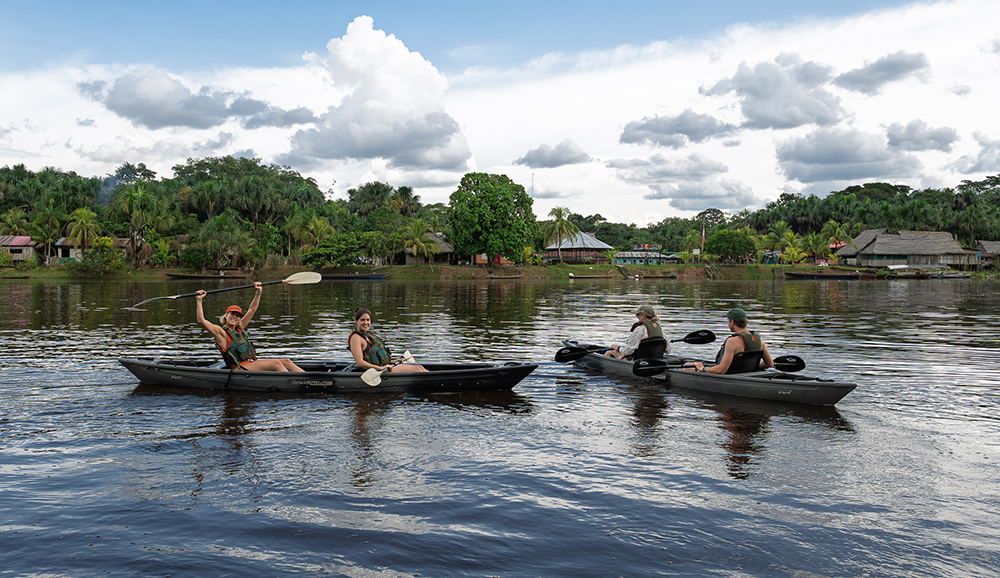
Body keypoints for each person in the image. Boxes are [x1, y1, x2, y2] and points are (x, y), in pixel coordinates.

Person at [195, 282, 305, 372]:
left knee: (286, 361)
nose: (235, 317)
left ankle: (307, 378)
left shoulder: (239, 328)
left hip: (250, 363)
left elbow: (252, 309)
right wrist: (199, 300)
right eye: (232, 314)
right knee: (276, 363)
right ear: (226, 316)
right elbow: (201, 320)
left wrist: (258, 292)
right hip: (239, 368)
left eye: (237, 316)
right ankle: (293, 382)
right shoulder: (221, 332)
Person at [686, 308, 773, 374]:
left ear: (732, 322)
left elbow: (721, 370)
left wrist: (702, 369)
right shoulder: (758, 340)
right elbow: (769, 364)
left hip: (730, 375)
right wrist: (750, 365)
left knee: (686, 366)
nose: (728, 324)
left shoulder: (732, 341)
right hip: (746, 374)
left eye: (728, 321)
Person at [349, 308, 428, 373]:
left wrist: (392, 361)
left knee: (420, 367)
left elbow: (377, 357)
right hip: (377, 371)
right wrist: (380, 368)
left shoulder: (368, 335)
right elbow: (359, 363)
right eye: (363, 320)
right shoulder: (356, 338)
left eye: (368, 320)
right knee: (418, 370)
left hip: (384, 367)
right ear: (356, 321)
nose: (366, 323)